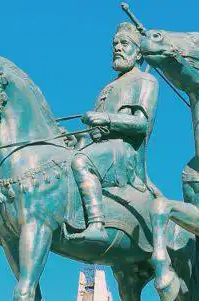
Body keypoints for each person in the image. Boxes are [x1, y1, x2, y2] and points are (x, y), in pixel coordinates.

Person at [71, 22, 159, 241]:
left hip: (124, 153)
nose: (117, 48)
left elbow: (142, 125)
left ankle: (97, 225)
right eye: (115, 44)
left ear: (139, 53)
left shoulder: (146, 80)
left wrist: (106, 118)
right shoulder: (108, 87)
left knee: (81, 162)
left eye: (124, 43)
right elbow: (96, 131)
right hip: (102, 149)